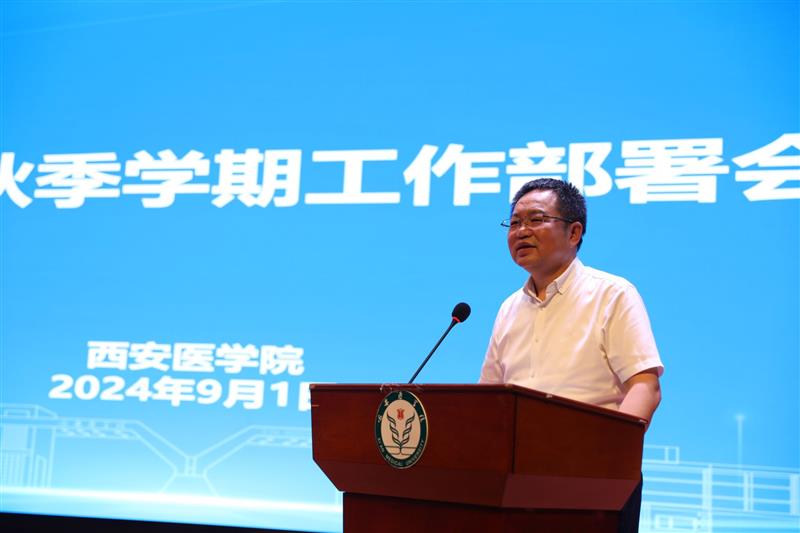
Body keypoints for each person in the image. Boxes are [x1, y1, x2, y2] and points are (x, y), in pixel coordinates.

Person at [479, 178, 663, 532]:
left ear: (574, 232)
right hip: (517, 481)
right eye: (514, 223)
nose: (521, 231)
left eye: (535, 220)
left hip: (595, 479)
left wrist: (610, 460)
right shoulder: (508, 308)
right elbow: (490, 400)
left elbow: (645, 387)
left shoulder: (612, 294)